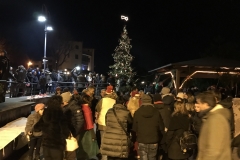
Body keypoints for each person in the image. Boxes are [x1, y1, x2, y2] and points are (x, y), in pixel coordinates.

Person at [195, 91, 231, 160]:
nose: (197, 105)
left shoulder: (216, 119)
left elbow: (214, 150)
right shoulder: (212, 117)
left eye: (199, 103)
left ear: (206, 104)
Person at [34, 95, 70, 160]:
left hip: (46, 145)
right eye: (61, 103)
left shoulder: (45, 113)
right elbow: (65, 131)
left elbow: (36, 128)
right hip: (57, 146)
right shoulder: (60, 114)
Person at [132, 94, 164, 160]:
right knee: (152, 157)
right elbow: (161, 127)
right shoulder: (156, 112)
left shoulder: (138, 112)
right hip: (153, 139)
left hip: (142, 139)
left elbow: (134, 128)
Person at [101, 95, 133, 160]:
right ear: (124, 103)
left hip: (109, 138)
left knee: (110, 157)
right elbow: (130, 123)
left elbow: (106, 122)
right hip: (120, 139)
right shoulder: (126, 113)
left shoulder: (109, 111)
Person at [77, 93, 100, 160]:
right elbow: (89, 123)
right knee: (87, 148)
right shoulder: (87, 109)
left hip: (81, 129)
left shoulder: (80, 107)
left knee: (81, 147)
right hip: (87, 130)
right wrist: (93, 134)